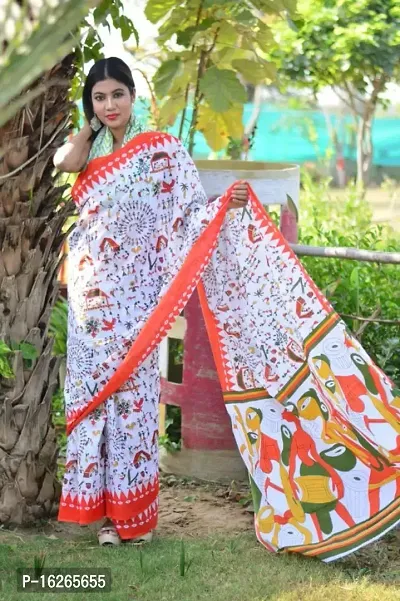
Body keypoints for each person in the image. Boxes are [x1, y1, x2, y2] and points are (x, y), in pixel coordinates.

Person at [55, 57, 400, 560]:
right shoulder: (88, 154)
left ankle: (131, 518)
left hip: (137, 305)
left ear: (134, 97)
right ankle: (101, 514)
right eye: (99, 98)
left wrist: (223, 209)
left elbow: (188, 215)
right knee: (93, 406)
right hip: (90, 303)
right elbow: (63, 163)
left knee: (131, 403)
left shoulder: (162, 152)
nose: (109, 106)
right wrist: (88, 129)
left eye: (117, 95)